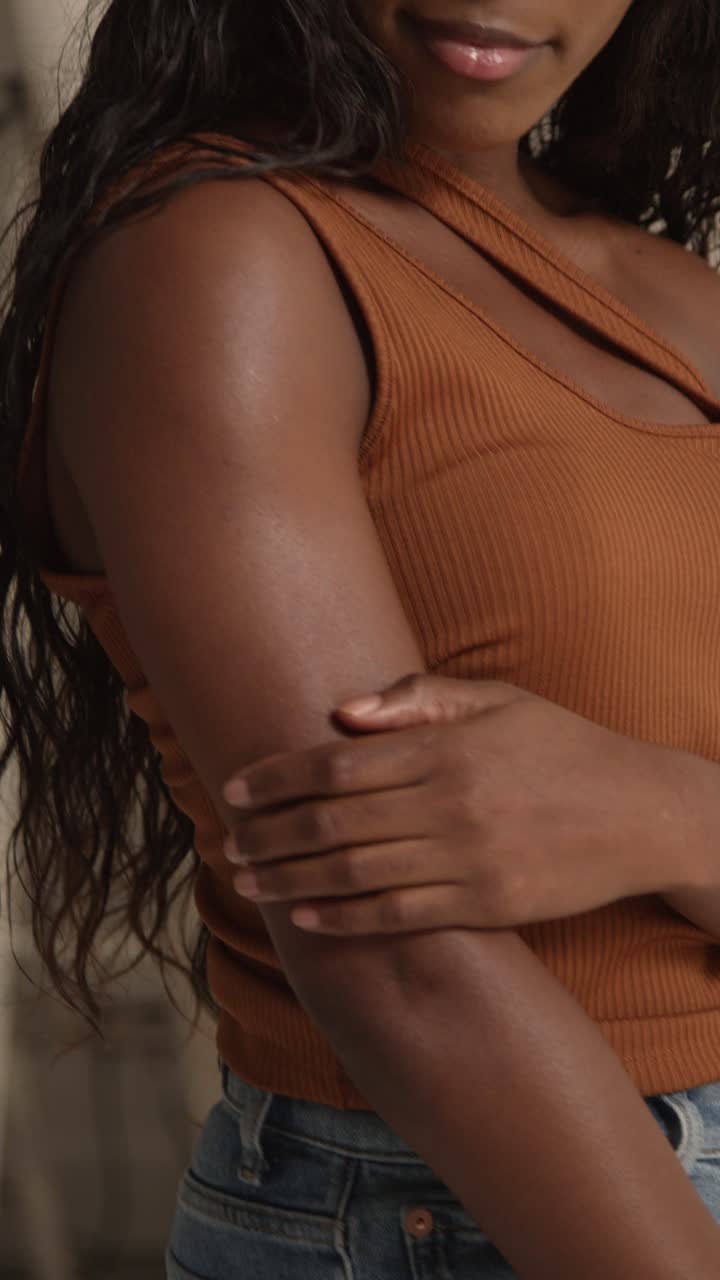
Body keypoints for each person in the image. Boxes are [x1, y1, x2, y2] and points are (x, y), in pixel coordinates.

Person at [1, 1, 720, 1275]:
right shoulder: (218, 257)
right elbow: (400, 968)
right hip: (478, 1210)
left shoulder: (679, 298)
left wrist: (665, 813)